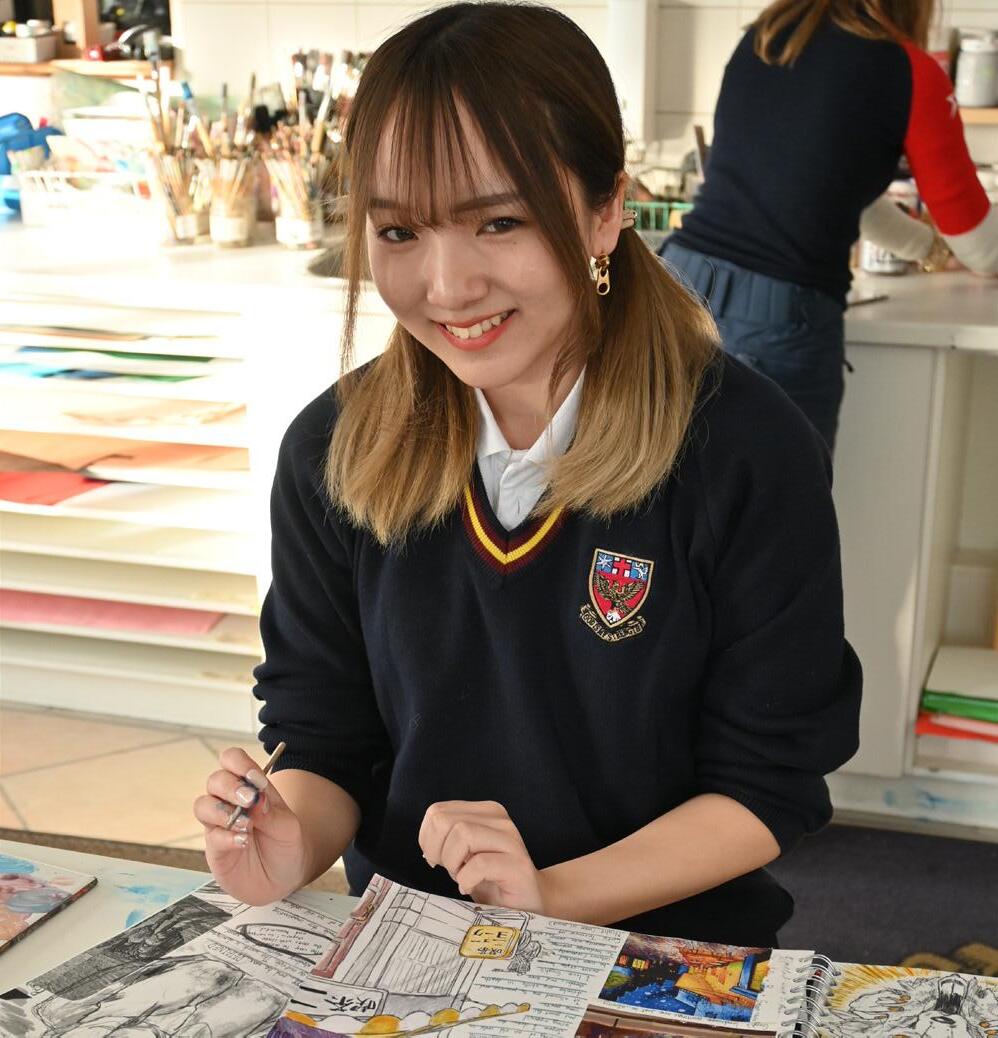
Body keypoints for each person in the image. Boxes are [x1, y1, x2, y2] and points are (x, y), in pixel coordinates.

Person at [194, 1, 862, 947]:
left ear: (606, 210)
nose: (447, 286)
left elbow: (767, 782)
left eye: (499, 222)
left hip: (665, 955)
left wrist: (548, 897)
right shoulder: (330, 451)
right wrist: (288, 842)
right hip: (411, 954)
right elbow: (327, 736)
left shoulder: (747, 450)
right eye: (398, 232)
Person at [660, 0, 998, 452]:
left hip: (676, 286)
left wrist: (930, 250)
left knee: (663, 490)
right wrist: (953, 248)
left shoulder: (767, 37)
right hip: (775, 316)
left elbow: (838, 191)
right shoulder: (909, 72)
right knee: (779, 497)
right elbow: (980, 244)